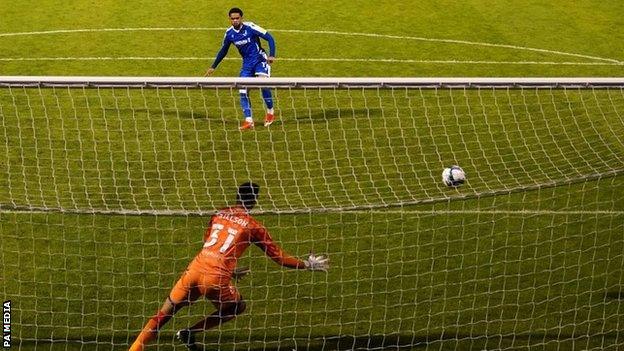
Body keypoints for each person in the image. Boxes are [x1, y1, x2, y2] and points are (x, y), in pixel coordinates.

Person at [128, 182, 329, 351]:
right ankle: (190, 331)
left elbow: (210, 244)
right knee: (237, 306)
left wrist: (230, 270)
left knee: (164, 314)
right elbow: (280, 258)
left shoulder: (219, 214)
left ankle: (135, 348)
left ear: (236, 196)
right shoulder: (253, 226)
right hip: (215, 279)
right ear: (254, 201)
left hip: (194, 269)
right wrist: (307, 264)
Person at [205, 7, 277, 130]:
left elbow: (270, 38)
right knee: (242, 91)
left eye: (237, 18)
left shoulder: (251, 27)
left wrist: (272, 55)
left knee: (264, 85)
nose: (235, 21)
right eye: (232, 19)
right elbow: (223, 50)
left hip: (260, 60)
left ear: (241, 18)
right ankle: (249, 120)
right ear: (229, 19)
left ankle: (270, 113)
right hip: (247, 65)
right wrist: (213, 66)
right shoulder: (229, 34)